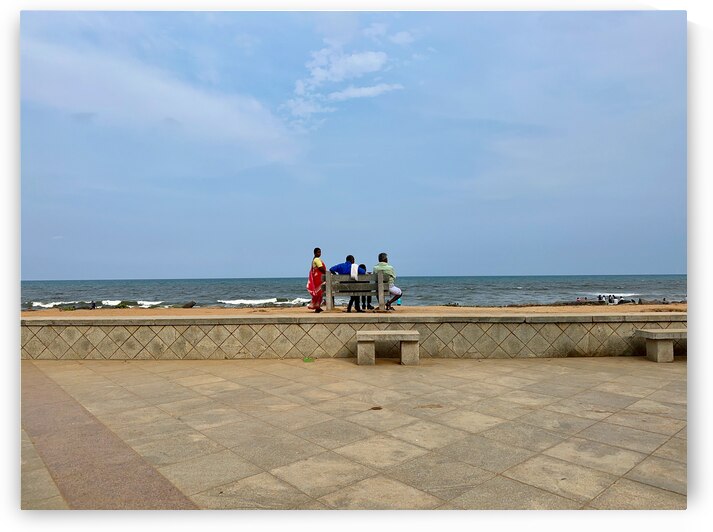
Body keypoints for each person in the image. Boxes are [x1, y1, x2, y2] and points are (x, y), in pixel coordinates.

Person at [307, 247, 327, 313]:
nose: (319, 253)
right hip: (318, 278)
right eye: (318, 252)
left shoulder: (315, 259)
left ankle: (317, 307)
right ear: (315, 253)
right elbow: (320, 268)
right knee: (319, 292)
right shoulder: (317, 259)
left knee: (319, 293)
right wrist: (327, 273)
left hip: (317, 278)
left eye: (320, 252)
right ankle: (316, 306)